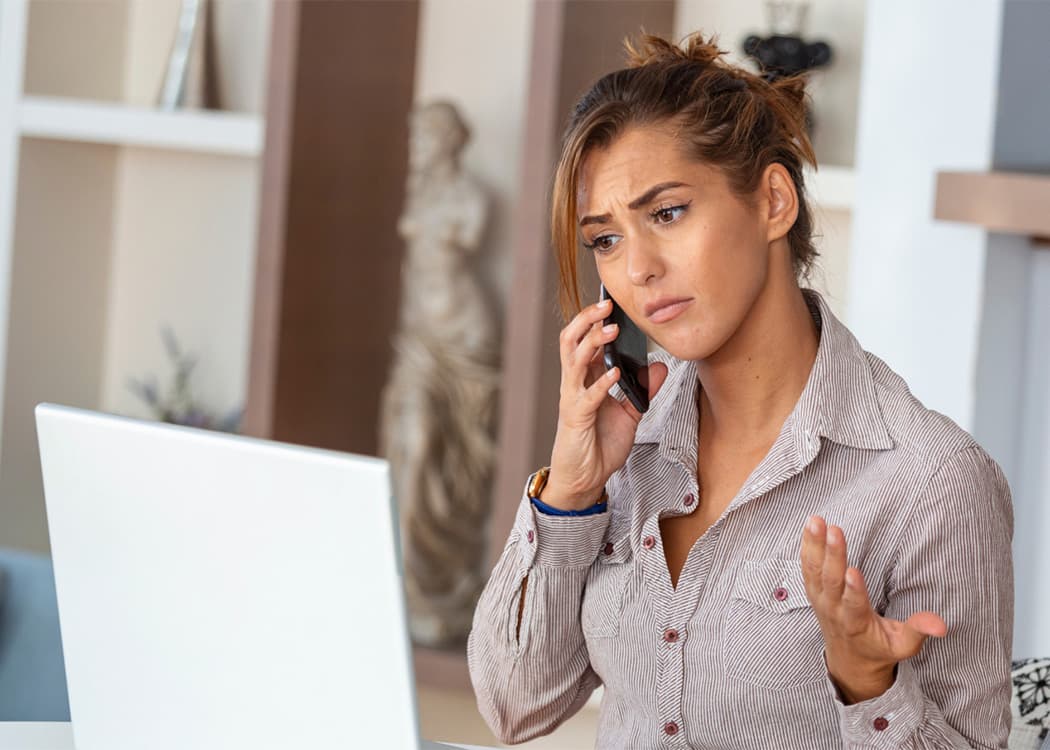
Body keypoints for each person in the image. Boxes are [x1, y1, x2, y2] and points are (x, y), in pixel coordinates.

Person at [467, 32, 1013, 749]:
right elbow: (514, 705)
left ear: (773, 202)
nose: (638, 269)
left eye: (667, 213)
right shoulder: (625, 445)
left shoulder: (932, 483)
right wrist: (570, 495)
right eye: (606, 240)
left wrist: (868, 685)